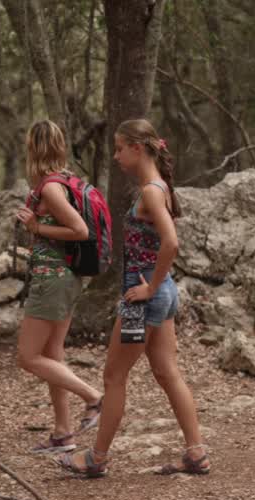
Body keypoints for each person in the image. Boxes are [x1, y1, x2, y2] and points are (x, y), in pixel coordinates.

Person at [59, 119, 209, 478]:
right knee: (166, 371)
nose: (115, 156)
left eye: (119, 148)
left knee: (113, 376)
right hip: (162, 293)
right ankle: (196, 453)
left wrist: (149, 288)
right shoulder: (158, 187)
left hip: (145, 297)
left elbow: (171, 243)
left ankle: (96, 459)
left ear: (138, 148)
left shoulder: (152, 192)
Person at [12, 120, 105, 455]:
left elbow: (80, 230)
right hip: (65, 277)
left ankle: (94, 397)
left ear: (33, 148)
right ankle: (63, 434)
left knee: (28, 356)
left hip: (53, 280)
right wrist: (36, 226)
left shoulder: (51, 188)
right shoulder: (64, 181)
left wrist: (37, 225)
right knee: (53, 354)